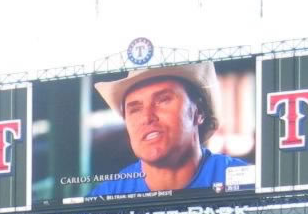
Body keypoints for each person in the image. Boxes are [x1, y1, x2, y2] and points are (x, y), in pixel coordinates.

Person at [89, 62, 251, 197]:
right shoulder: (106, 196)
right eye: (135, 109)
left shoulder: (245, 181)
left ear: (199, 111)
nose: (147, 117)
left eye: (163, 100)